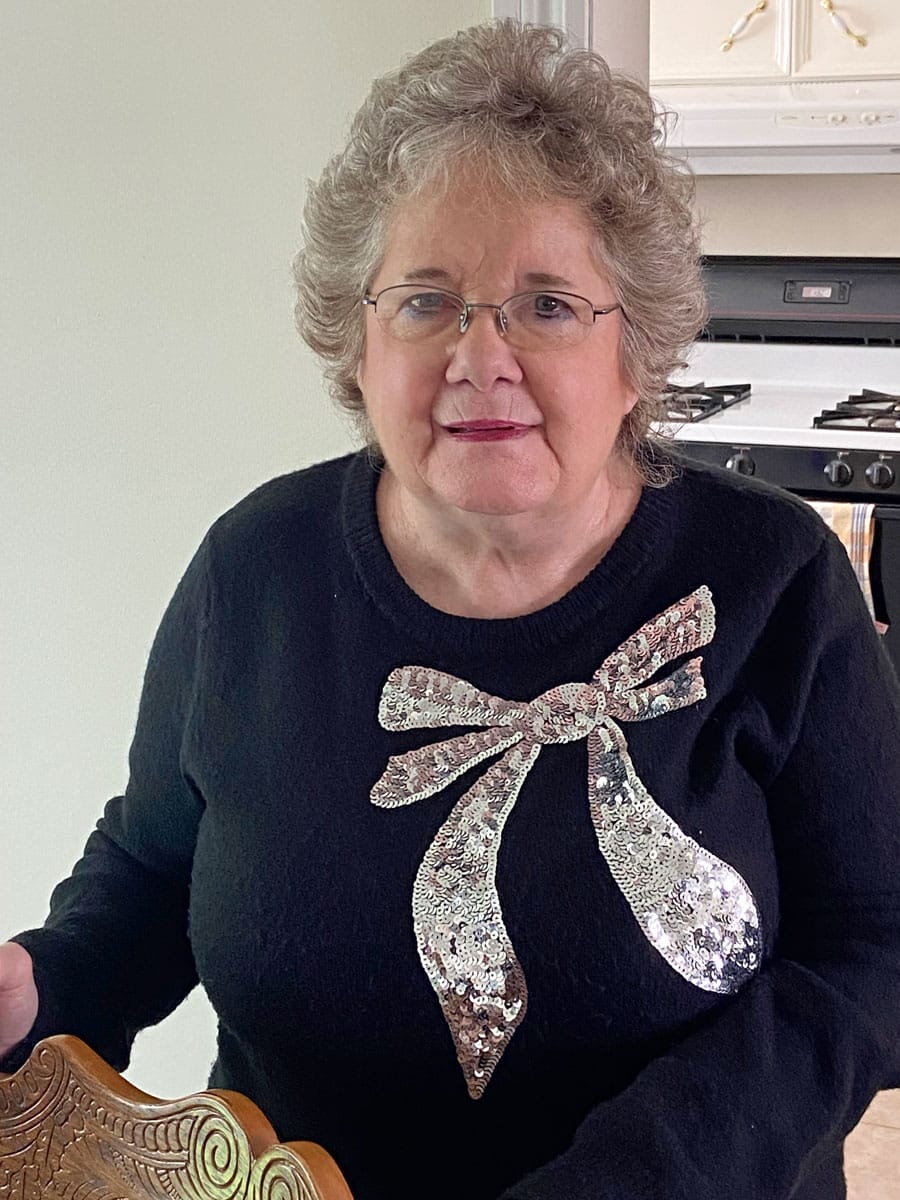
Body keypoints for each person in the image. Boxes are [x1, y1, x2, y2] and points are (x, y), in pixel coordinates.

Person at [2, 19, 899, 1200]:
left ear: (635, 350)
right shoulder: (253, 571)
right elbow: (154, 869)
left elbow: (869, 953)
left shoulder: (774, 581)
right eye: (426, 302)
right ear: (357, 346)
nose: (482, 357)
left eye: (548, 305)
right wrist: (46, 986)